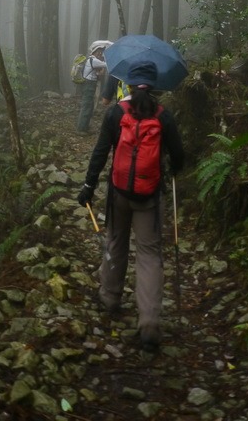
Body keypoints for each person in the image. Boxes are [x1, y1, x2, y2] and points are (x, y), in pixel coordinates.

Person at [77, 61, 186, 352]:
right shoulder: (164, 117)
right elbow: (179, 156)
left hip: (119, 194)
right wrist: (172, 168)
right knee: (149, 254)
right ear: (155, 85)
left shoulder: (116, 113)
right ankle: (149, 322)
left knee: (116, 240)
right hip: (149, 198)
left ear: (127, 82)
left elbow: (101, 152)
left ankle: (110, 297)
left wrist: (88, 186)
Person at [76, 41, 110, 134]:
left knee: (89, 106)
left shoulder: (91, 60)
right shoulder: (94, 60)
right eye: (98, 51)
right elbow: (107, 65)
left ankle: (85, 127)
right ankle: (81, 129)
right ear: (94, 51)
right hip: (89, 85)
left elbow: (99, 73)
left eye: (101, 51)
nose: (100, 53)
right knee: (86, 106)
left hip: (89, 84)